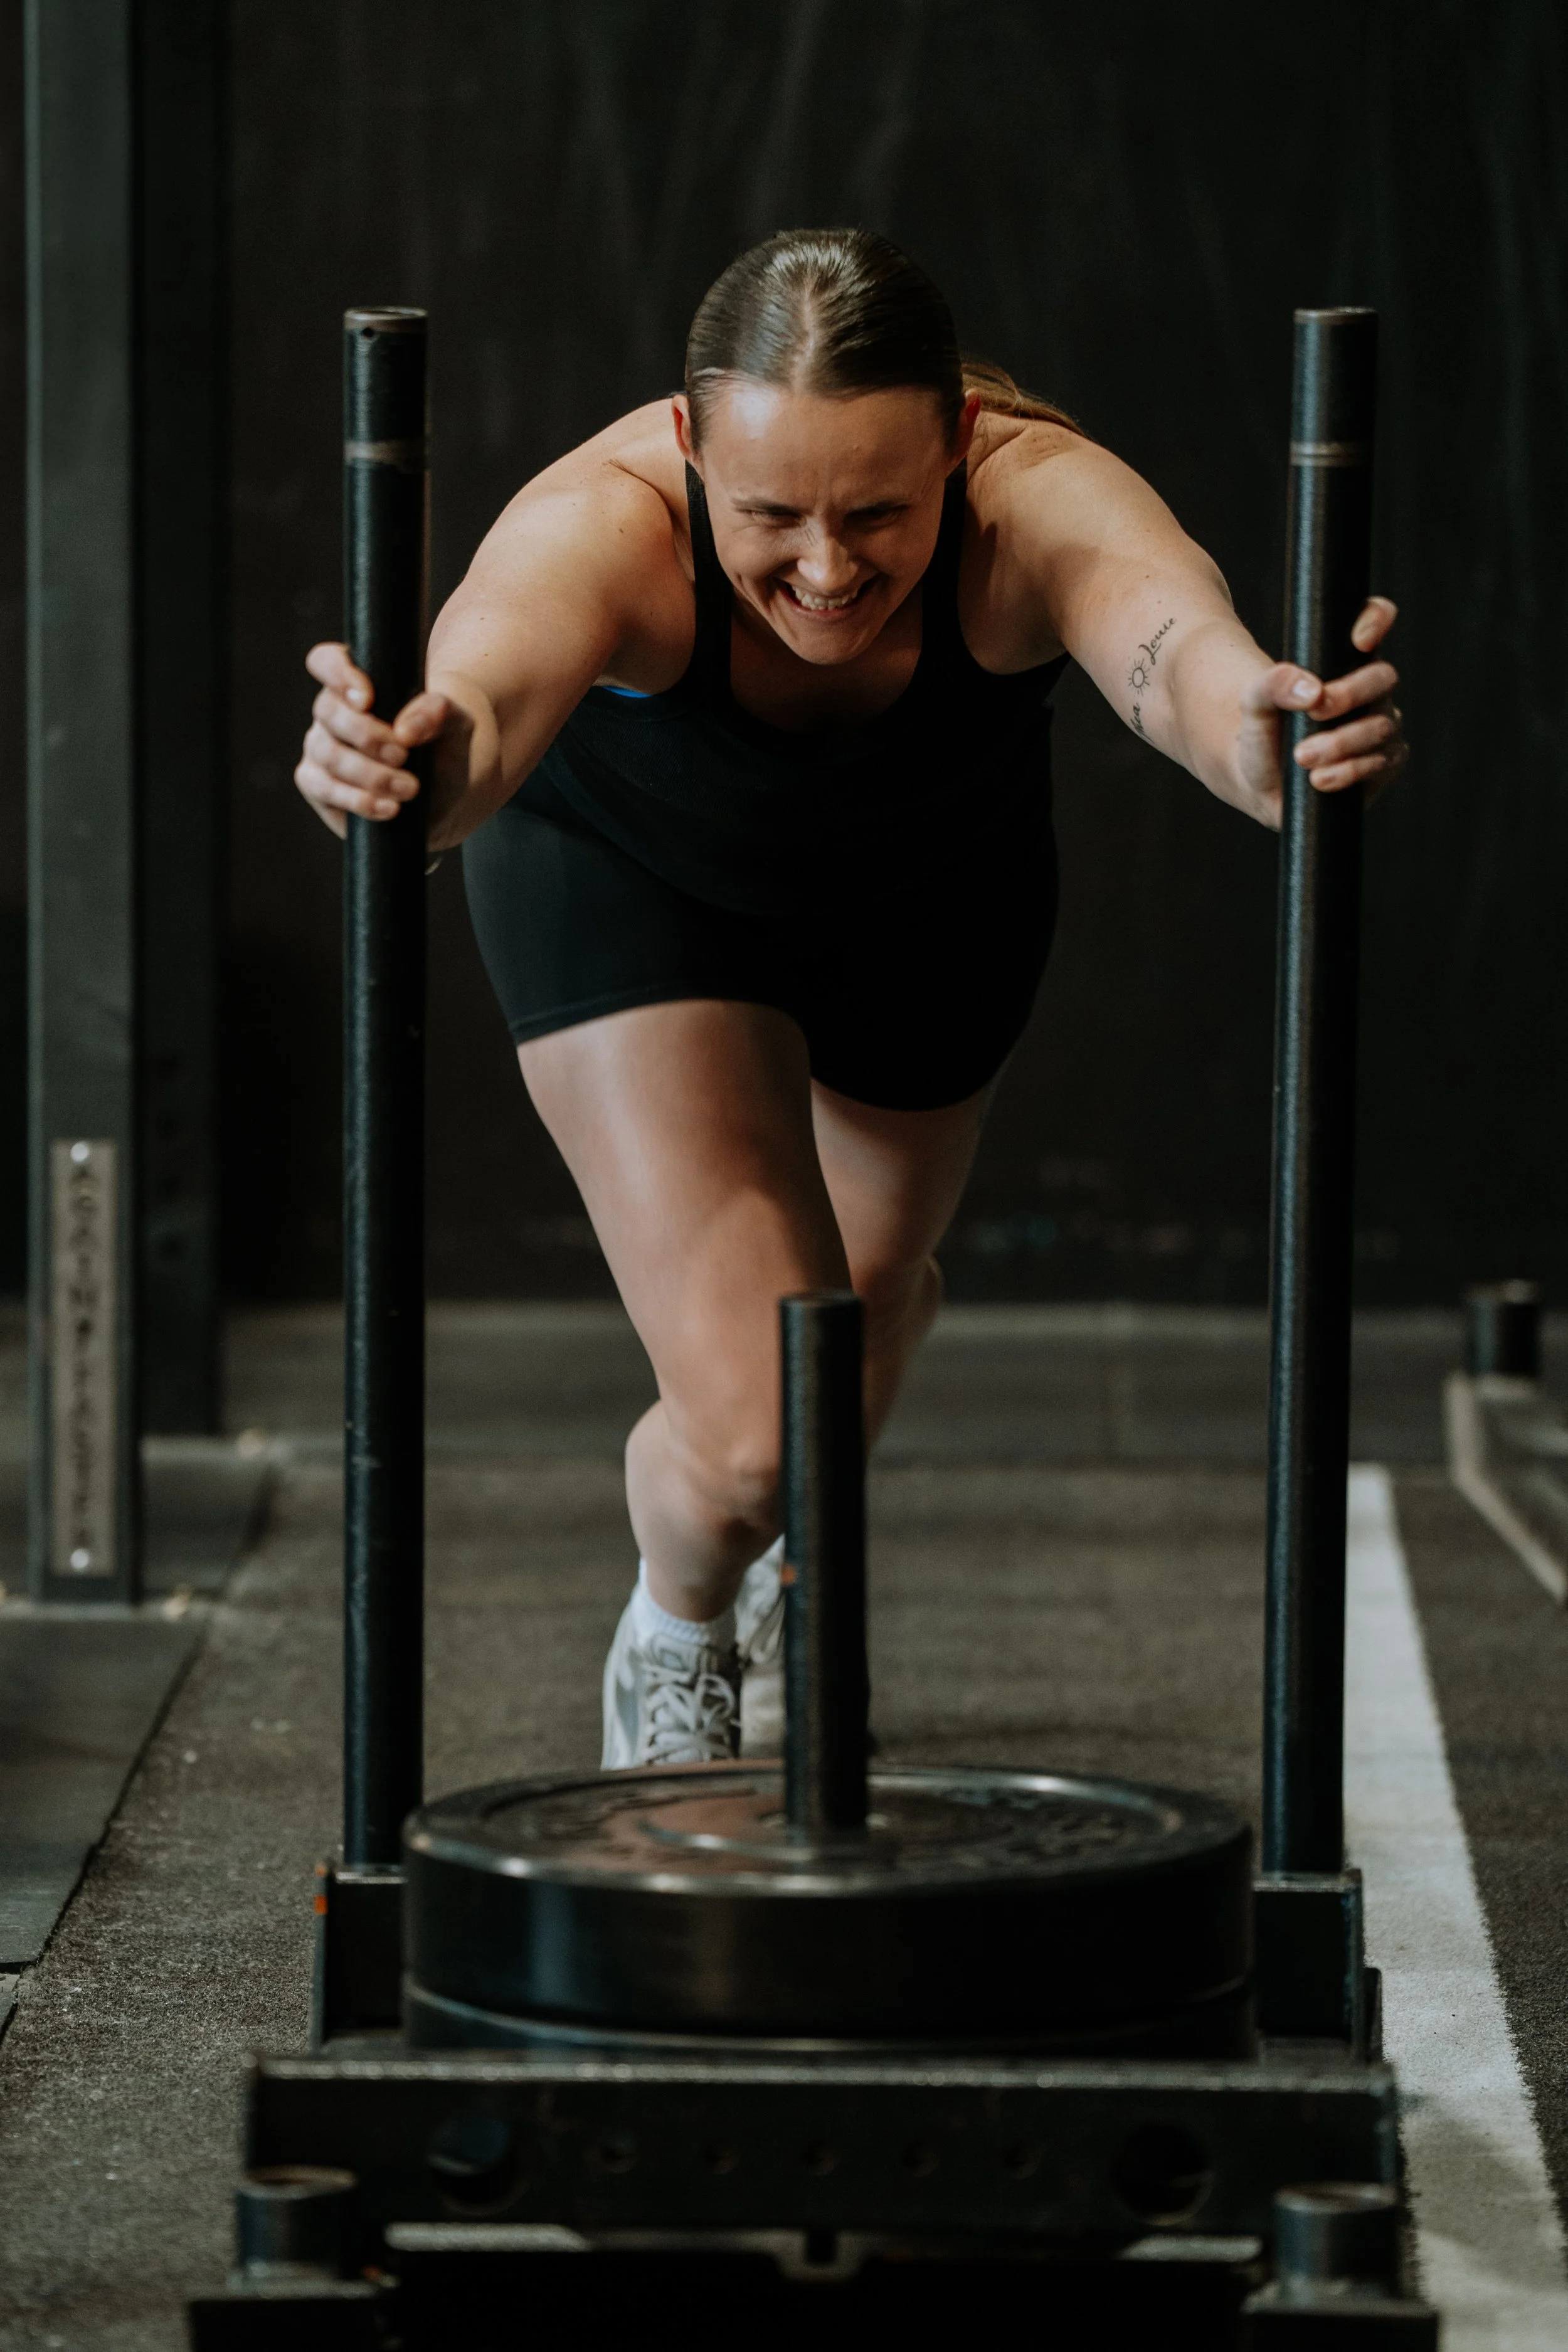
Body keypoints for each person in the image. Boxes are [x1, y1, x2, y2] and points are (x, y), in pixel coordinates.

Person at [295, 228, 1406, 1770]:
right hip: (637, 890)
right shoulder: (604, 522)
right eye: (769, 517)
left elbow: (1174, 649)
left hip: (928, 905)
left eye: (877, 512)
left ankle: (817, 1423)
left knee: (855, 1320)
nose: (824, 570)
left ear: (952, 446)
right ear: (690, 447)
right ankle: (679, 1627)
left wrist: (1269, 742)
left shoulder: (1032, 498)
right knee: (763, 1433)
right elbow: (481, 699)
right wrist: (404, 773)